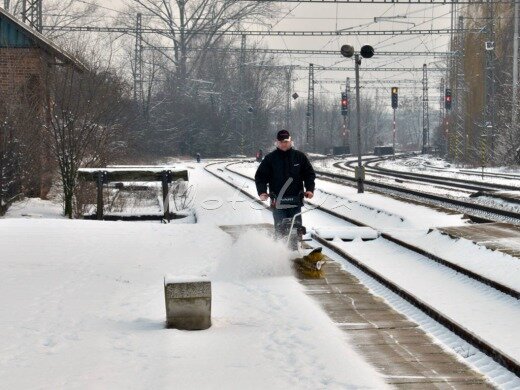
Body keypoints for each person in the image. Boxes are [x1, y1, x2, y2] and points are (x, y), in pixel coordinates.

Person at [254, 129, 316, 238]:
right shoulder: (270, 159)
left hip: (295, 199)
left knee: (296, 229)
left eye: (286, 141)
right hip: (277, 200)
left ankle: (296, 250)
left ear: (290, 141)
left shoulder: (299, 157)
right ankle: (281, 251)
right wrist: (262, 192)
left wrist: (310, 189)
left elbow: (309, 174)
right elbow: (260, 176)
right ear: (277, 142)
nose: (284, 144)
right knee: (280, 230)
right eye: (281, 142)